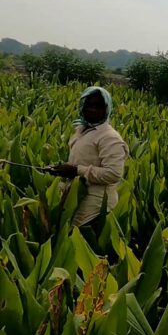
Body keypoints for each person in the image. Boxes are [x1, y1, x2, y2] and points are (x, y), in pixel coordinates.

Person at [49, 86, 128, 228]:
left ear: (107, 109)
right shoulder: (82, 130)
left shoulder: (109, 137)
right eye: (89, 105)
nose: (92, 109)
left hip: (96, 206)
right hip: (77, 197)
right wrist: (60, 169)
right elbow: (79, 161)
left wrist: (77, 171)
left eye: (98, 106)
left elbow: (113, 174)